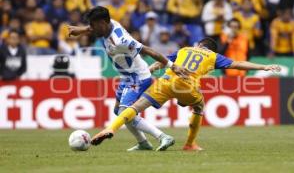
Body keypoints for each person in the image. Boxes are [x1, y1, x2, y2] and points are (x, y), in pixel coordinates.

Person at [90, 37, 281, 151]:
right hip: (187, 85)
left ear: (198, 45)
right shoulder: (214, 56)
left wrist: (149, 69)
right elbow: (237, 64)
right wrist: (264, 66)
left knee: (135, 107)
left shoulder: (183, 50)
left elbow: (160, 62)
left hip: (165, 81)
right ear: (209, 49)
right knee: (199, 106)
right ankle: (189, 144)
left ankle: (111, 128)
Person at [68, 6, 189, 151]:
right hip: (126, 77)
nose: (92, 28)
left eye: (94, 25)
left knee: (124, 113)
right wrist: (81, 30)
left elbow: (148, 50)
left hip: (137, 77)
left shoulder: (120, 40)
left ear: (102, 23)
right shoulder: (107, 24)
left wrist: (172, 66)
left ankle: (162, 137)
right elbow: (93, 28)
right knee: (118, 110)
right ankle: (143, 143)